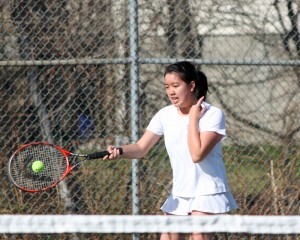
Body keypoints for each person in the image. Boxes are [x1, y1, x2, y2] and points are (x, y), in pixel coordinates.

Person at [103, 61, 238, 240]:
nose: (171, 92)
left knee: (198, 236)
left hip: (207, 190)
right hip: (180, 192)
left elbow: (197, 154)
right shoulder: (164, 115)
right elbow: (141, 148)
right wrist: (119, 151)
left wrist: (192, 119)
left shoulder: (213, 114)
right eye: (167, 87)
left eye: (176, 85)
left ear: (191, 85)